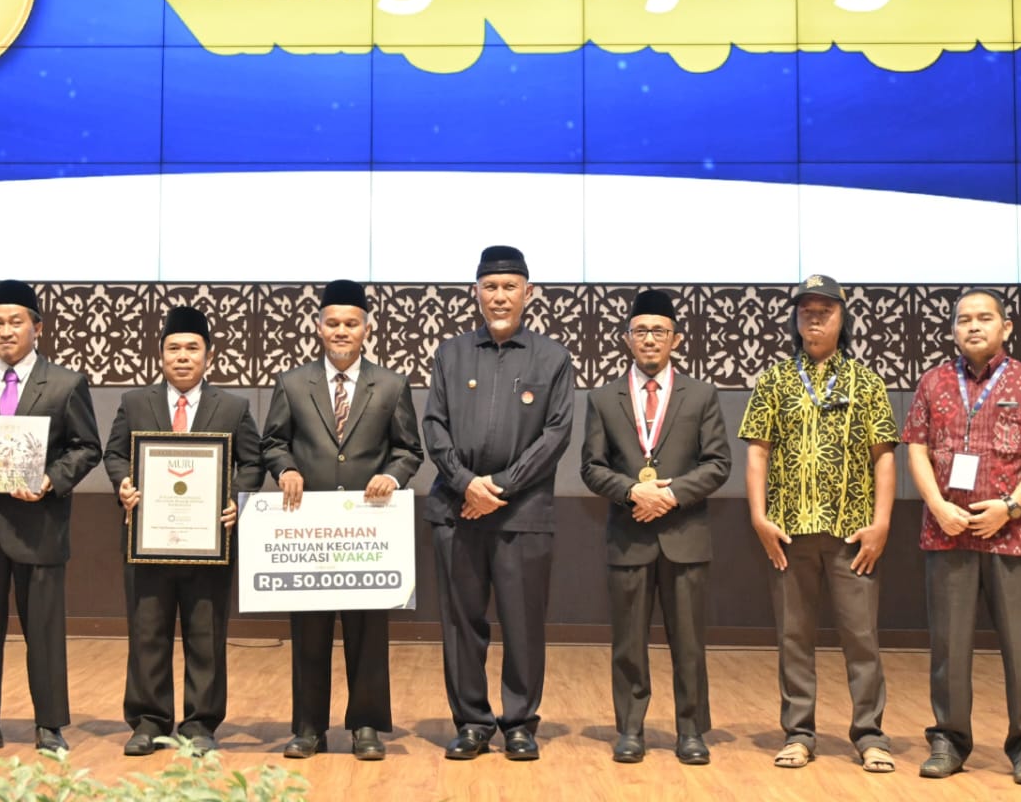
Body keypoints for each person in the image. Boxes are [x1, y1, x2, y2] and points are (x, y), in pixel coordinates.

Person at [904, 289, 1021, 787]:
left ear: (1006, 326)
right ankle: (949, 741)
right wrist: (936, 505)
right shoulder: (933, 382)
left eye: (984, 318)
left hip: (1015, 535)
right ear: (953, 329)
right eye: (963, 320)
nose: (973, 326)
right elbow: (916, 447)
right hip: (947, 532)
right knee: (948, 648)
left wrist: (1011, 506)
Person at [738, 273, 899, 774]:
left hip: (854, 534)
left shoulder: (867, 381)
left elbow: (884, 458)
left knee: (861, 638)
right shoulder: (775, 380)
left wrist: (881, 524)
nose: (814, 317)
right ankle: (799, 732)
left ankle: (870, 735)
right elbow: (757, 453)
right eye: (806, 309)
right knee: (793, 636)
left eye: (824, 309)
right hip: (787, 533)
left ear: (842, 317)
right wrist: (759, 518)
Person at [0, 279, 102, 755]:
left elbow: (87, 447)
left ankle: (50, 725)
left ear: (37, 328)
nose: (5, 332)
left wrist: (50, 479)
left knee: (45, 632)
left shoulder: (66, 383)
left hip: (40, 526)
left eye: (15, 322)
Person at [423, 245, 574, 761]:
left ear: (528, 294)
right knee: (462, 624)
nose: (500, 296)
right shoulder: (451, 354)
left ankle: (519, 724)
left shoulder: (553, 358)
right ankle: (470, 723)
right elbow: (434, 428)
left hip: (522, 517)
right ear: (476, 293)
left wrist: (499, 490)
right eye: (490, 287)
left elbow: (555, 436)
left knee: (523, 623)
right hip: (455, 511)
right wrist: (466, 483)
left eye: (510, 287)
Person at [261, 280, 423, 760]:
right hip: (308, 528)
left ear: (367, 329)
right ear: (318, 328)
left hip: (368, 529)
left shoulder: (391, 385)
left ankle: (367, 726)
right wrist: (286, 468)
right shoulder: (292, 383)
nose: (341, 331)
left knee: (367, 632)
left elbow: (408, 449)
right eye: (332, 323)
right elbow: (273, 442)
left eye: (351, 324)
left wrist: (392, 478)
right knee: (309, 632)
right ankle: (308, 728)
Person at [104, 305, 264, 755]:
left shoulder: (233, 406)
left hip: (209, 542)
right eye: (173, 348)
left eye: (192, 348)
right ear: (160, 356)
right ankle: (149, 721)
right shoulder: (135, 402)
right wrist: (124, 484)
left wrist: (236, 497)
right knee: (147, 632)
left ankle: (200, 724)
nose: (182, 356)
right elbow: (114, 454)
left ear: (208, 357)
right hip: (146, 540)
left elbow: (252, 461)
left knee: (206, 635)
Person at [580, 288, 730, 764]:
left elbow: (718, 462)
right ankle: (630, 729)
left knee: (689, 642)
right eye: (641, 331)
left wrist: (669, 494)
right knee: (628, 643)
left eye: (659, 332)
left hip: (685, 537)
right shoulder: (603, 398)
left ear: (676, 339)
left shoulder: (702, 394)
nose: (650, 339)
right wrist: (631, 492)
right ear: (627, 338)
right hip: (629, 537)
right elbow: (591, 466)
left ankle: (691, 731)